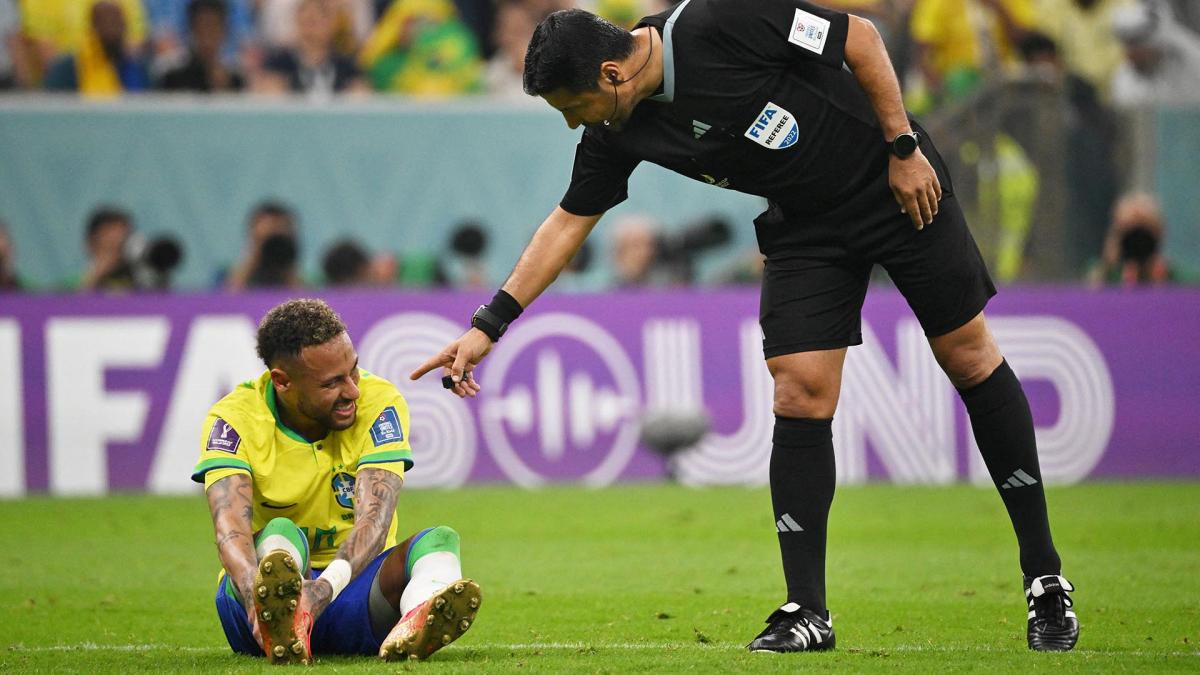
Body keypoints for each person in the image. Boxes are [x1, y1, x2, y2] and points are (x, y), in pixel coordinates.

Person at [410, 2, 1078, 654]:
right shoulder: (616, 130)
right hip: (807, 225)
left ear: (611, 76)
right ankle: (808, 609)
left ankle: (1044, 576)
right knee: (800, 391)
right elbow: (566, 225)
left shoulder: (719, 19)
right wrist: (487, 325)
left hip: (893, 184)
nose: (571, 125)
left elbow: (862, 39)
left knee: (966, 356)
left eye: (570, 108)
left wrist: (903, 145)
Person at [192, 298, 481, 663]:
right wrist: (253, 596)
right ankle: (279, 613)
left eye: (353, 371)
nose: (353, 391)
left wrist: (324, 590)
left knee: (439, 541)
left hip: (353, 595)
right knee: (281, 534)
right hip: (255, 617)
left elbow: (374, 522)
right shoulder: (234, 419)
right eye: (332, 383)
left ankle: (415, 620)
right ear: (282, 381)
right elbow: (230, 529)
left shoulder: (379, 403)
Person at [43, 0, 151, 95]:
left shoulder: (138, 67)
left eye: (116, 21)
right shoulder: (68, 68)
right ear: (92, 26)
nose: (111, 28)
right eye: (104, 21)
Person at [158, 0, 246, 92]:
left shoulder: (235, 79)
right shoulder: (171, 77)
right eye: (201, 27)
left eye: (213, 28)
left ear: (225, 31)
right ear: (191, 29)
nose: (207, 36)